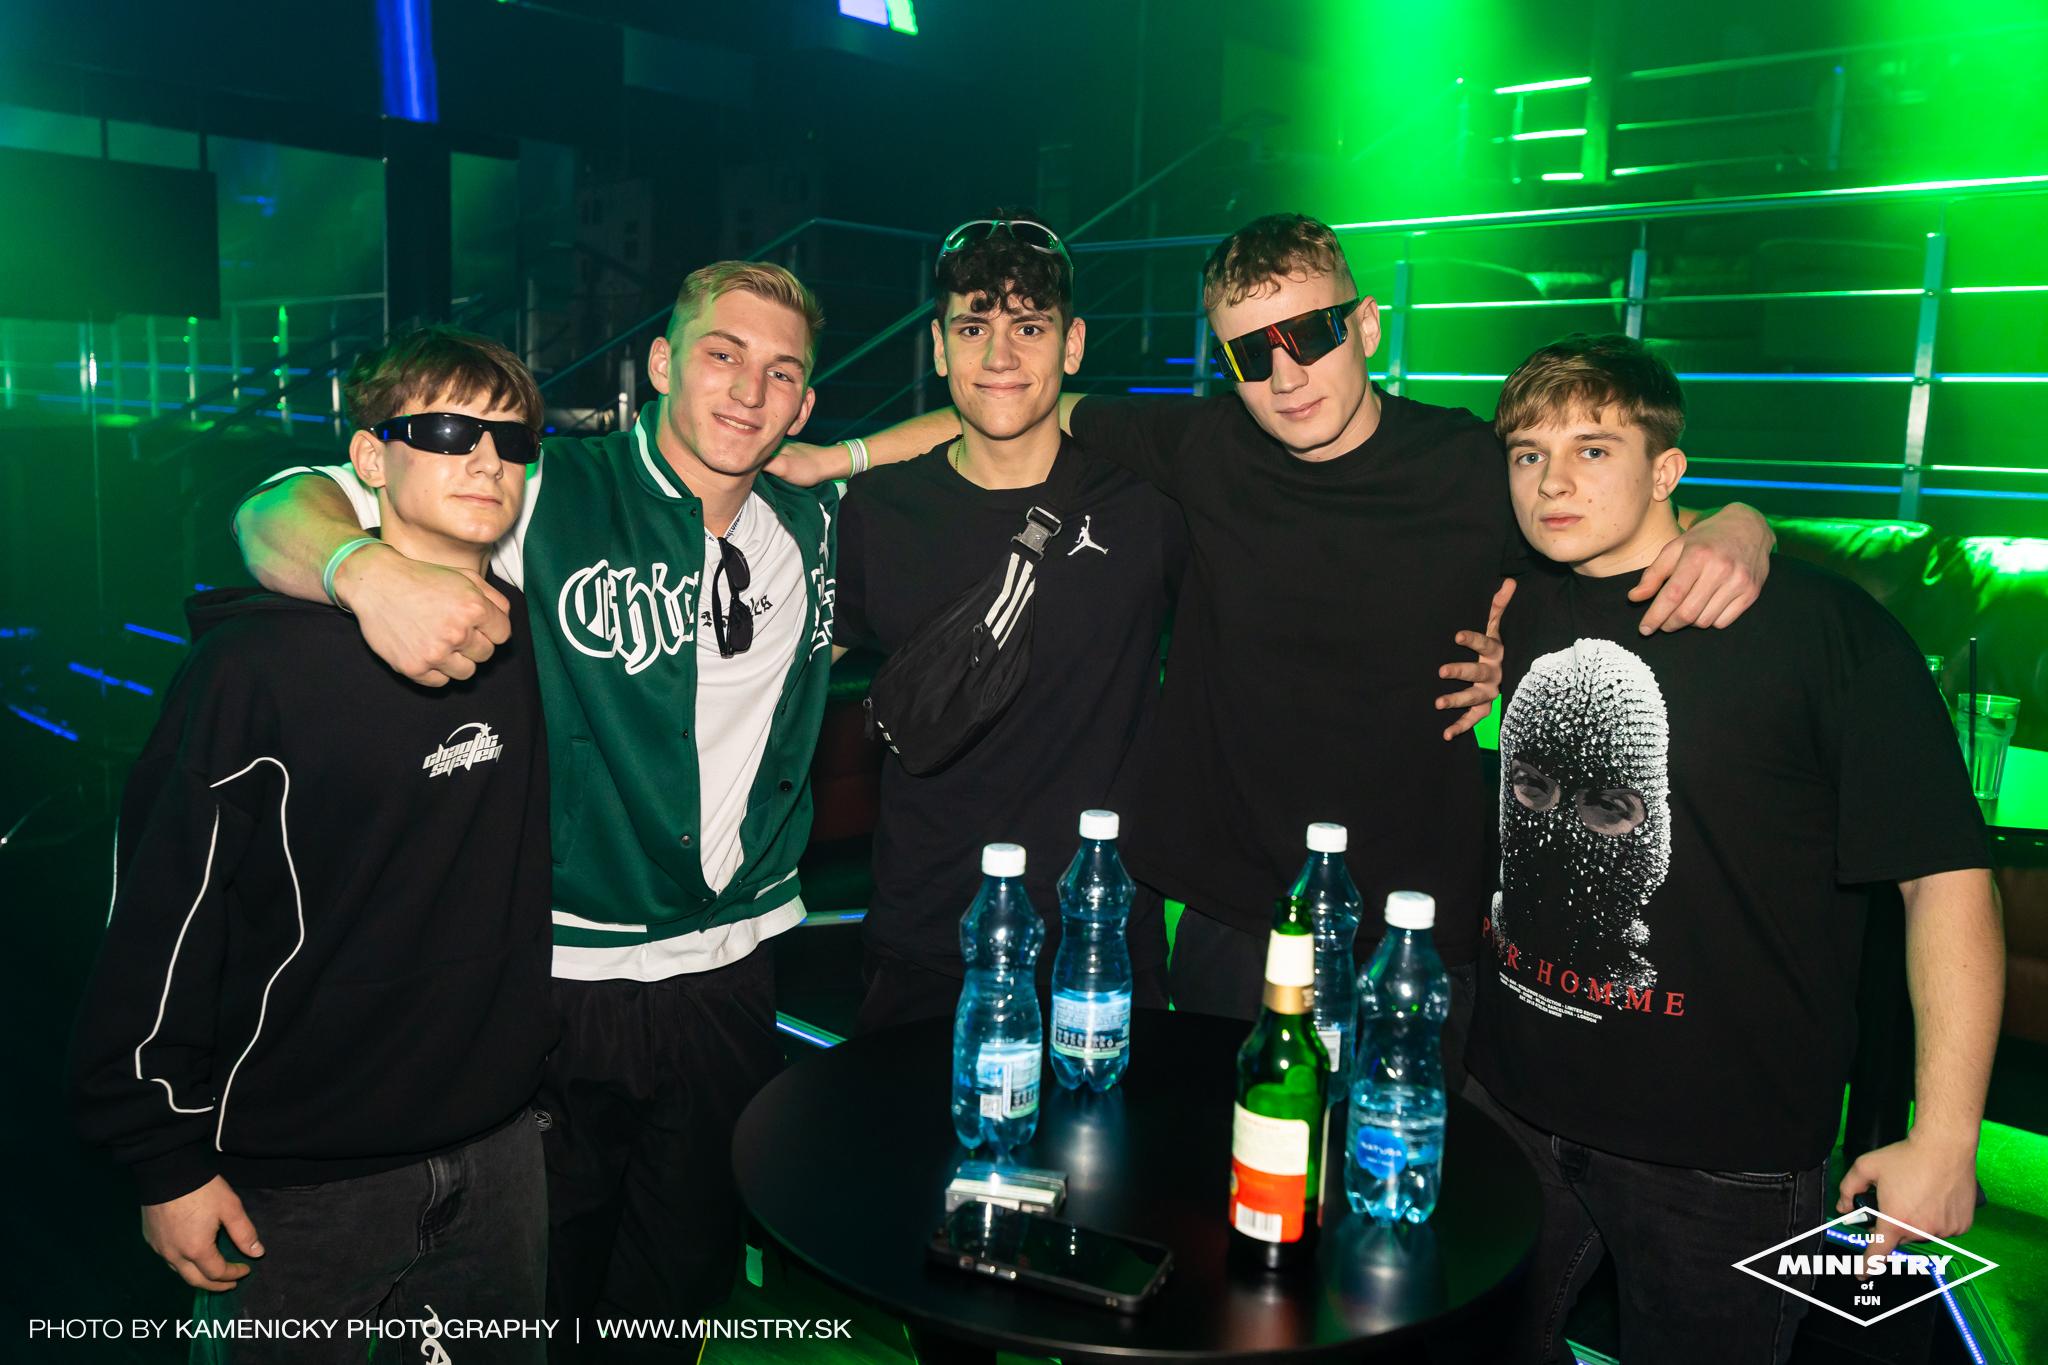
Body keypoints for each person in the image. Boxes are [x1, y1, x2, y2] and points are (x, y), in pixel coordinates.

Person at [774, 214, 1774, 1078]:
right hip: (1230, 920)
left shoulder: (1473, 466)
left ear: (1365, 324)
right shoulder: (1202, 452)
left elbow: (1613, 528)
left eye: (1310, 335)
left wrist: (1738, 524)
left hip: (1411, 928)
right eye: (1253, 352)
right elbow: (1020, 405)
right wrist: (838, 458)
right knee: (1225, 1195)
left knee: (1394, 1195)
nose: (1286, 374)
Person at [232, 263, 838, 1349]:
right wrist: (362, 572)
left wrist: (857, 456)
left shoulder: (813, 523)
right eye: (723, 353)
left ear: (803, 405)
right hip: (558, 976)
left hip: (732, 976)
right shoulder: (538, 485)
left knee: (681, 1286)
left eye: (781, 372)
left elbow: (999, 433)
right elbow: (274, 505)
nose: (750, 390)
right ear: (662, 363)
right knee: (541, 1290)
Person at [1469, 333, 2000, 1364]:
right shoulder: (1519, 601)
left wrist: (1946, 1138)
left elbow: (1942, 878)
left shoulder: (1821, 630)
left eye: (1591, 449)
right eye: (1529, 454)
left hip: (1719, 1154)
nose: (1552, 482)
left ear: (1667, 468)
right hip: (1510, 1103)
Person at [71, 326, 553, 1362]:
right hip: (298, 1176)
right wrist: (162, 1158)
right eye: (446, 431)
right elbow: (161, 920)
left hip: (501, 1149)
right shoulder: (254, 668)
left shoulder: (526, 636)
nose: (485, 458)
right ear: (369, 459)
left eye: (511, 441)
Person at [832, 214, 1185, 1032]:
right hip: (924, 937)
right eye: (973, 327)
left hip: (1097, 942)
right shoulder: (878, 509)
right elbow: (778, 673)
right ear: (938, 347)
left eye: (1029, 326)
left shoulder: (1148, 507)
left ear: (1073, 345)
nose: (999, 356)